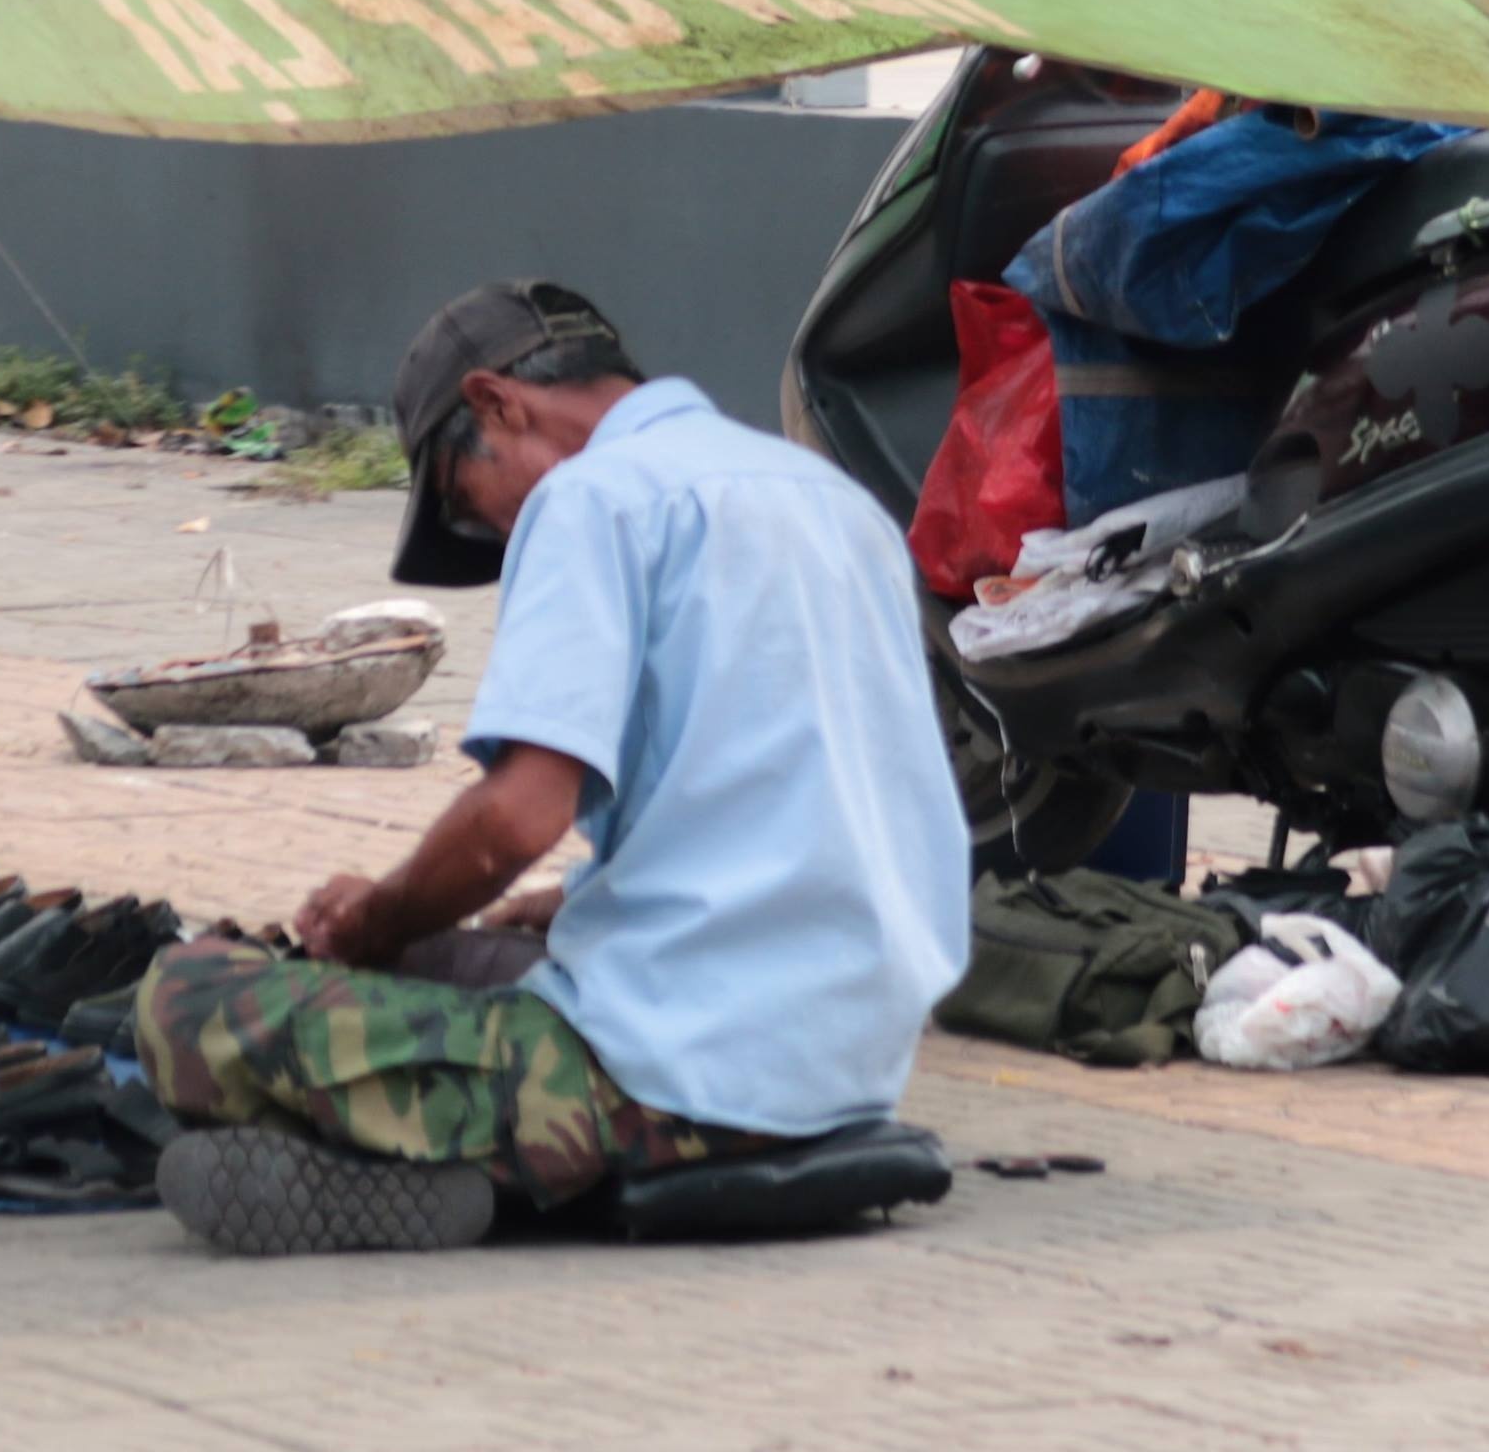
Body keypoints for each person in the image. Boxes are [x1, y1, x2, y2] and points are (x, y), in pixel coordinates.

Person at [134, 280, 971, 1256]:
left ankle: (490, 1178)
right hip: (851, 1066)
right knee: (465, 953)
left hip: (671, 1083)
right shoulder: (833, 499)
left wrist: (378, 916)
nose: (489, 532)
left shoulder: (592, 498)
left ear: (495, 403)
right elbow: (820, 793)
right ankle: (479, 1151)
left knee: (188, 997)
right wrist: (590, 892)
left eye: (463, 499)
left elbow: (512, 820)